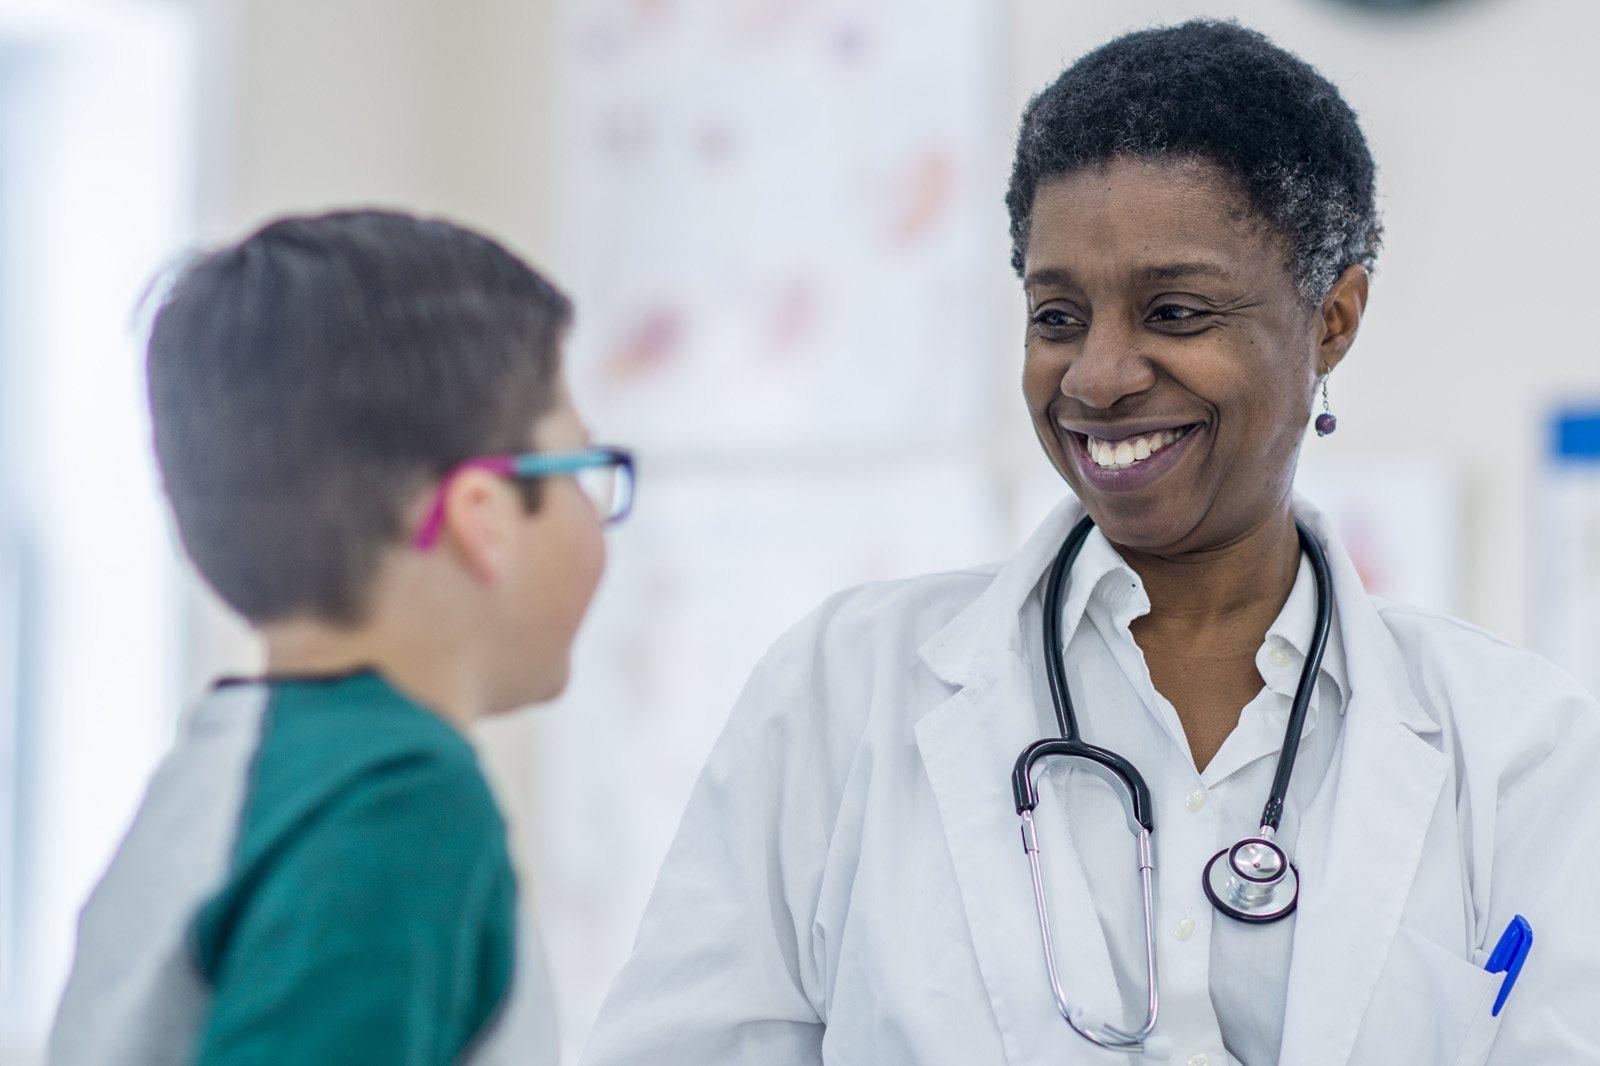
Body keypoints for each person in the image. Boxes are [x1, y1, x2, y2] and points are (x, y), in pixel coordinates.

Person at [578, 21, 1600, 1066]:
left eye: (1173, 310)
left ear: (1332, 318)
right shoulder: (847, 693)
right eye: (1058, 317)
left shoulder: (1513, 749)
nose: (1099, 375)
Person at [47, 210, 634, 1065]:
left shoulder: (228, 769)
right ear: (484, 517)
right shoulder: (398, 797)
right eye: (584, 468)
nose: (598, 512)